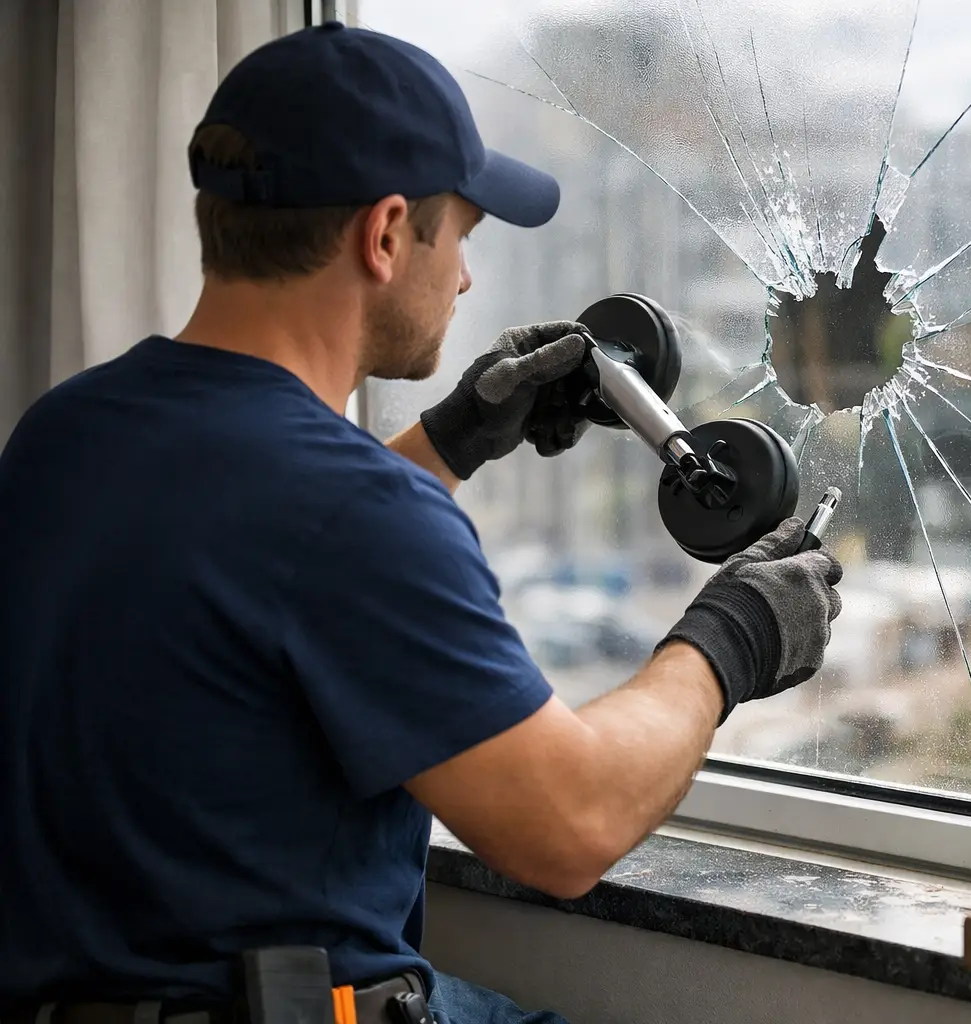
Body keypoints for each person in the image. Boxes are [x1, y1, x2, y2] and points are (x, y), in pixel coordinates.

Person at [0, 22, 843, 1024]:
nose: (470, 281)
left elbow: (254, 553)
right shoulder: (355, 512)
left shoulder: (65, 431)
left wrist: (454, 439)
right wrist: (734, 635)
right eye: (465, 238)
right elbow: (570, 825)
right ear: (388, 233)